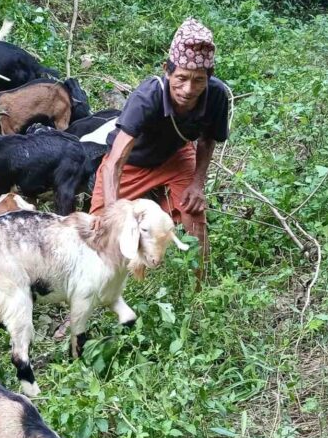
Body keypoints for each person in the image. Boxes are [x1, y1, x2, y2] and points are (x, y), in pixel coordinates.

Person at [91, 18, 229, 278]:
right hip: (132, 162)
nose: (188, 89)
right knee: (100, 229)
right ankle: (106, 289)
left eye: (198, 81)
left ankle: (200, 284)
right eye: (181, 78)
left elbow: (208, 139)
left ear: (209, 78)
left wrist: (198, 183)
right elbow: (115, 162)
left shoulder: (217, 95)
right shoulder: (147, 97)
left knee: (193, 212)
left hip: (175, 156)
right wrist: (114, 213)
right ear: (167, 70)